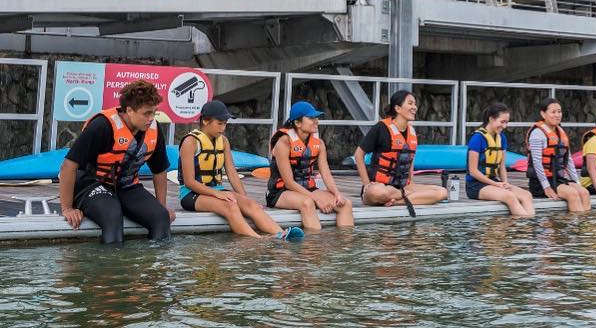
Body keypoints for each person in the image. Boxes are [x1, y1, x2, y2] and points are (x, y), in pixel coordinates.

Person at [58, 79, 174, 245]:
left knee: (161, 217)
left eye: (154, 113)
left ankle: (154, 268)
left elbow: (159, 170)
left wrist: (161, 205)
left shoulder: (153, 130)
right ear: (129, 110)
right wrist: (67, 208)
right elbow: (68, 166)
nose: (151, 119)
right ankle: (111, 269)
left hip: (125, 186)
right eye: (146, 113)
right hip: (91, 185)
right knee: (112, 214)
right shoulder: (102, 126)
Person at [177, 99, 302, 240]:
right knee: (230, 206)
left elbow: (232, 173)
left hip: (216, 190)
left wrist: (244, 198)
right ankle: (258, 240)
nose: (223, 128)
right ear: (205, 121)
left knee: (251, 204)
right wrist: (217, 194)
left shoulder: (223, 141)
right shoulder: (190, 142)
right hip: (190, 195)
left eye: (225, 124)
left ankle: (281, 234)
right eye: (219, 123)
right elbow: (189, 182)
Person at [266, 100, 354, 231]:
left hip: (308, 189)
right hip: (280, 192)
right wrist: (316, 199)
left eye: (316, 118)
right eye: (311, 118)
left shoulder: (319, 143)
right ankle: (312, 248)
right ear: (297, 123)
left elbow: (326, 173)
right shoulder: (283, 143)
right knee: (307, 203)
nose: (316, 121)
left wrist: (337, 194)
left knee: (345, 204)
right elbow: (289, 182)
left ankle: (345, 246)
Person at [356, 90, 448, 208]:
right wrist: (366, 184)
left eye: (415, 104)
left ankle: (398, 201)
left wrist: (411, 182)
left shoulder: (412, 131)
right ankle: (406, 196)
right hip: (380, 187)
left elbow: (410, 159)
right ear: (398, 108)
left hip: (404, 187)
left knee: (442, 192)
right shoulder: (381, 128)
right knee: (377, 192)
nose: (414, 107)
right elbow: (359, 154)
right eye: (410, 103)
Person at [465, 103, 536, 217]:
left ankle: (529, 227)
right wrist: (496, 184)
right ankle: (525, 229)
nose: (505, 126)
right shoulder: (477, 138)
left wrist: (505, 183)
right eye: (502, 122)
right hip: (476, 186)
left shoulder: (501, 138)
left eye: (506, 122)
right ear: (491, 119)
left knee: (526, 195)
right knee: (509, 197)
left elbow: (501, 166)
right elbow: (473, 171)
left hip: (495, 183)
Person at [525, 99, 591, 213]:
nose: (557, 115)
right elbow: (537, 163)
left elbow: (568, 160)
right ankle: (575, 228)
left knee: (584, 192)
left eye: (559, 112)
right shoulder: (537, 133)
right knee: (572, 194)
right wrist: (546, 187)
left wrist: (577, 183)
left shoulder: (560, 132)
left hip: (558, 180)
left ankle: (584, 226)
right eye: (553, 112)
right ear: (543, 114)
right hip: (540, 183)